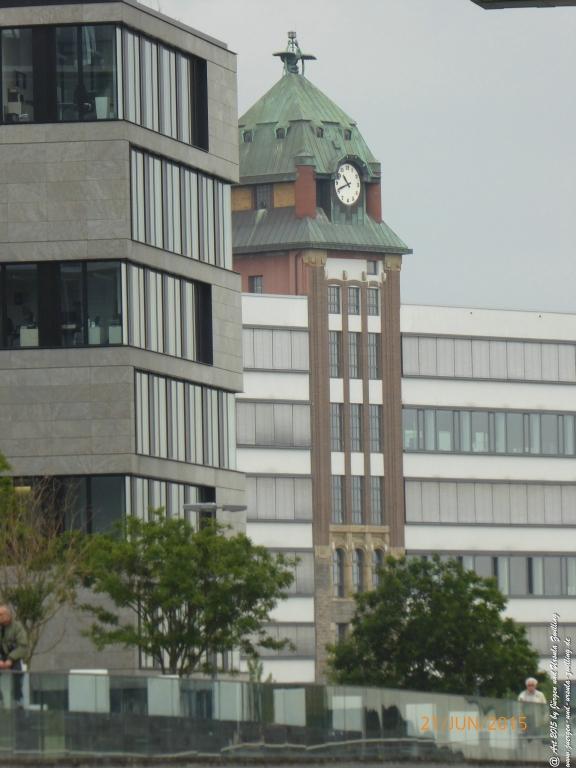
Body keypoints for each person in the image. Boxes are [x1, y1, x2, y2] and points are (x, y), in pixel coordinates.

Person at [0, 605, 27, 706]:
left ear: (7, 615)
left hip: (13, 658)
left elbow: (23, 646)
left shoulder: (17, 627)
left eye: (1, 615)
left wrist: (10, 659)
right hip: (1, 657)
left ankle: (18, 702)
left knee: (17, 677)